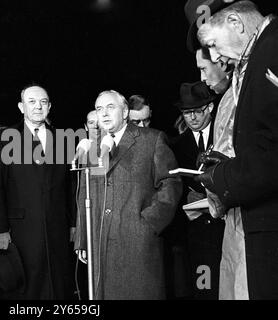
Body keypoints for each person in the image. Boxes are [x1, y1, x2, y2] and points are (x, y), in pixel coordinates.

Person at [194, 0, 278, 299]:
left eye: (214, 45)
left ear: (235, 23)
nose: (216, 57)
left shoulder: (271, 51)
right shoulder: (259, 56)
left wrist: (226, 177)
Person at [75, 90, 182, 300]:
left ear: (125, 112)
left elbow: (171, 183)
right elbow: (86, 192)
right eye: (99, 109)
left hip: (138, 243)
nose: (103, 114)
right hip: (101, 242)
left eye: (110, 107)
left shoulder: (151, 139)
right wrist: (83, 238)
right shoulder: (93, 147)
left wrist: (148, 223)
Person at [0, 84, 75, 299]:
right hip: (21, 231)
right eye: (32, 102)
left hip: (57, 229)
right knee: (28, 288)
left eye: (43, 102)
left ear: (50, 106)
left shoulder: (64, 138)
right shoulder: (5, 138)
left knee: (58, 286)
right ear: (21, 107)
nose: (38, 107)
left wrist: (74, 224)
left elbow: (71, 186)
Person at [171, 81, 225, 300]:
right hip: (197, 232)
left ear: (210, 108)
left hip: (227, 223)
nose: (192, 117)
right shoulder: (175, 145)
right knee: (204, 286)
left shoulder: (225, 135)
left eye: (197, 111)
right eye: (186, 112)